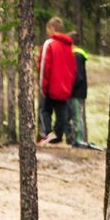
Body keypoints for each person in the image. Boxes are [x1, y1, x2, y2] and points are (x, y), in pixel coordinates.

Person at [38, 17, 77, 145]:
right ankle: (58, 138)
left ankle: (48, 133)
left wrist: (42, 87)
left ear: (51, 29)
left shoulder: (49, 44)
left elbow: (44, 66)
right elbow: (73, 68)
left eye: (47, 29)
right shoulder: (68, 47)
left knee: (45, 111)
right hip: (65, 88)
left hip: (51, 87)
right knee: (61, 114)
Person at [67, 31, 89, 148]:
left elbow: (77, 76)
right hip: (75, 92)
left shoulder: (77, 56)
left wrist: (69, 87)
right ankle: (73, 140)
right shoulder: (76, 55)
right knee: (74, 116)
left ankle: (79, 140)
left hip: (76, 93)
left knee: (76, 116)